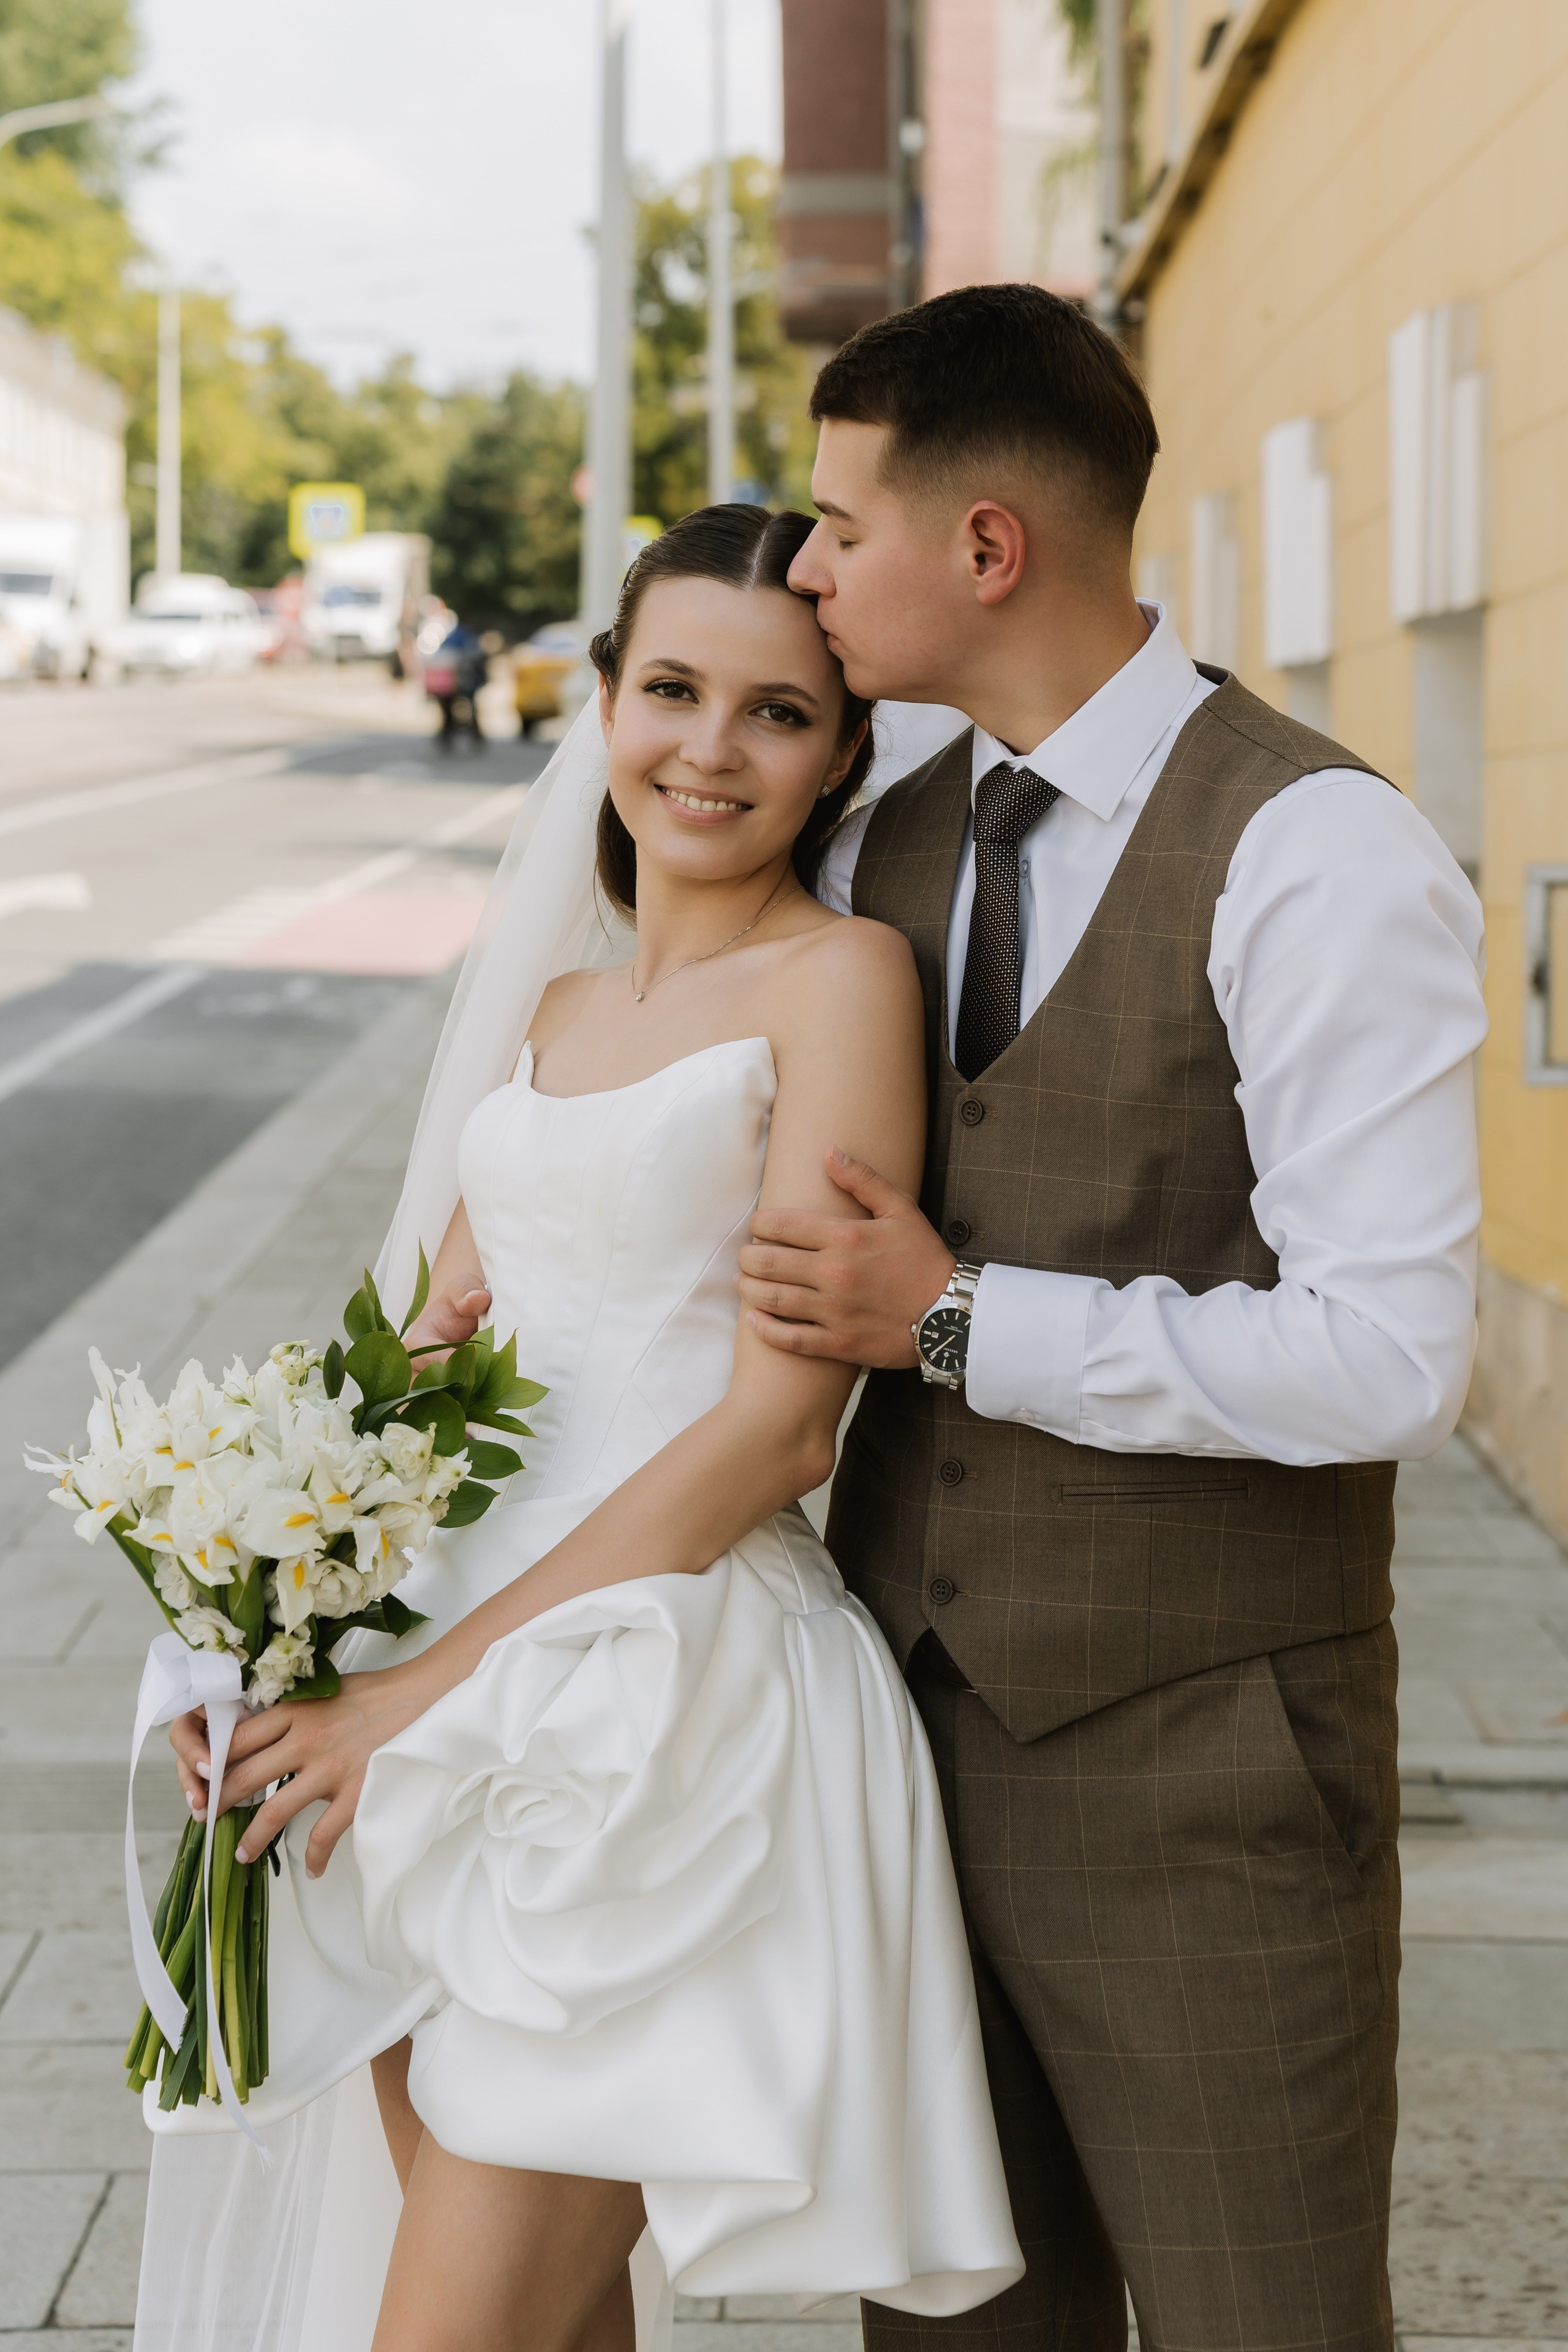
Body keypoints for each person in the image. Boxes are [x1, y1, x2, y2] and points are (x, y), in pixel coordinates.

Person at [141, 505, 1022, 2352]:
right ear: (599, 700)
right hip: (446, 1691)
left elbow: (782, 1431)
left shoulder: (839, 983)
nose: (710, 749)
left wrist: (408, 1692)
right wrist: (269, 1633)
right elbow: (418, 1371)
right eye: (673, 689)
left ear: (842, 750)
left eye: (776, 712)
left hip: (650, 1704)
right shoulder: (547, 1007)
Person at [733, 283, 1488, 2352]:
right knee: (958, 2327)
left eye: (837, 525)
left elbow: (1393, 1354)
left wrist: (963, 1320)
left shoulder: (1318, 851)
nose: (803, 569)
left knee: (1269, 2323)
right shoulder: (893, 840)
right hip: (899, 1750)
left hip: (1208, 1782)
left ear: (987, 549)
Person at [426, 619, 489, 746]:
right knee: (470, 707)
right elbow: (475, 656)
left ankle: (448, 735)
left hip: (450, 680)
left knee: (448, 709)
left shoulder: (451, 636)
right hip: (462, 678)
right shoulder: (467, 636)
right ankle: (474, 736)